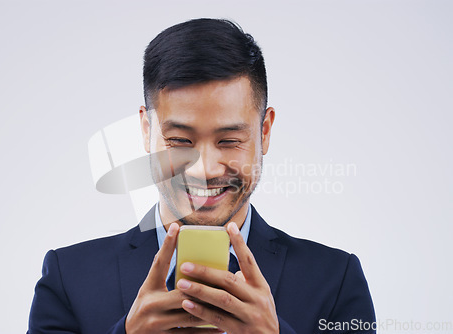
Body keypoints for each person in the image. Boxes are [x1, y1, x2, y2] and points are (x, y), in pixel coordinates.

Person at [27, 18, 376, 334]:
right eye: (179, 141)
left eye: (229, 141)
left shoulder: (336, 281)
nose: (204, 170)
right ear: (147, 132)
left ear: (265, 132)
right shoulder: (68, 278)